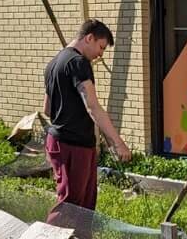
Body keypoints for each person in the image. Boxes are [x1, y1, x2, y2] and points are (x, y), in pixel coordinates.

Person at [43, 19, 131, 215]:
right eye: (100, 47)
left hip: (61, 141)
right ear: (89, 38)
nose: (100, 54)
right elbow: (93, 107)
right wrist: (118, 142)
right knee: (71, 205)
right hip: (72, 145)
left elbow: (48, 109)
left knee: (84, 204)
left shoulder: (53, 63)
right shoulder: (78, 63)